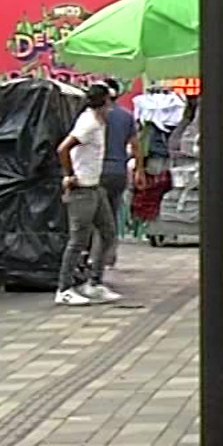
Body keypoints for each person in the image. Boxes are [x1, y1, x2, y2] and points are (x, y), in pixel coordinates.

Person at [54, 86, 123, 307]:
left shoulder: (98, 121)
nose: (111, 107)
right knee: (78, 240)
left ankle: (94, 282)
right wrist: (69, 175)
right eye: (109, 102)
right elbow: (63, 148)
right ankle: (64, 288)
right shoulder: (88, 123)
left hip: (95, 186)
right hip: (82, 188)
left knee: (108, 232)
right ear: (104, 103)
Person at [96, 83, 142, 270]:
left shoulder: (94, 115)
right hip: (118, 172)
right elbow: (136, 145)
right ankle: (109, 256)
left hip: (96, 172)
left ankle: (94, 260)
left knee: (95, 218)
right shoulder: (126, 116)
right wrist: (139, 170)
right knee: (112, 215)